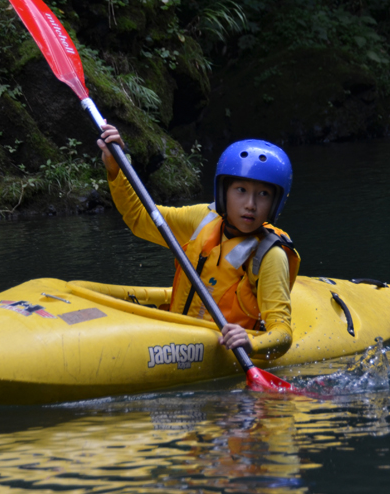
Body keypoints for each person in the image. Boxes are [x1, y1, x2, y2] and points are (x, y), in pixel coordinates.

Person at [97, 122, 299, 360]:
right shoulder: (203, 219)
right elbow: (140, 217)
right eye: (240, 190)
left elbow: (283, 333)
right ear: (223, 191)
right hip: (177, 338)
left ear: (275, 203)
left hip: (223, 352)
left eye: (263, 194)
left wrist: (251, 343)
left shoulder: (270, 256)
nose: (250, 204)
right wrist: (116, 166)